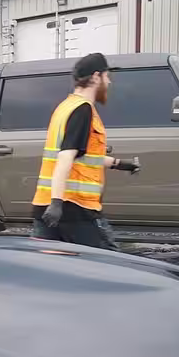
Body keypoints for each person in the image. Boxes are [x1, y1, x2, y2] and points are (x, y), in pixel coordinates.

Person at [32, 52, 141, 249]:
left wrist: (119, 164)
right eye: (108, 77)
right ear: (96, 77)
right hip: (73, 208)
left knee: (49, 269)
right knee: (107, 264)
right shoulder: (83, 110)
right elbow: (65, 157)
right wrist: (57, 203)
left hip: (46, 206)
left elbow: (83, 157)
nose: (109, 82)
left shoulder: (65, 107)